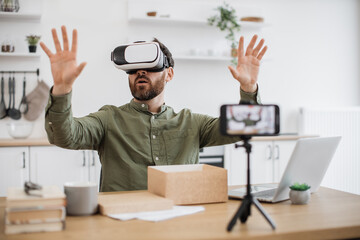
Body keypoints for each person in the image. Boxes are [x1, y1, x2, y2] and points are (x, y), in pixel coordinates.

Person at [40, 25, 268, 192]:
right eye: (134, 68)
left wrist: (249, 88)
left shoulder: (192, 123)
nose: (141, 71)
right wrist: (61, 89)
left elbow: (244, 128)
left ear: (169, 73)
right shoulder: (108, 119)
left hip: (180, 218)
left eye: (150, 66)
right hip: (122, 224)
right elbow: (64, 136)